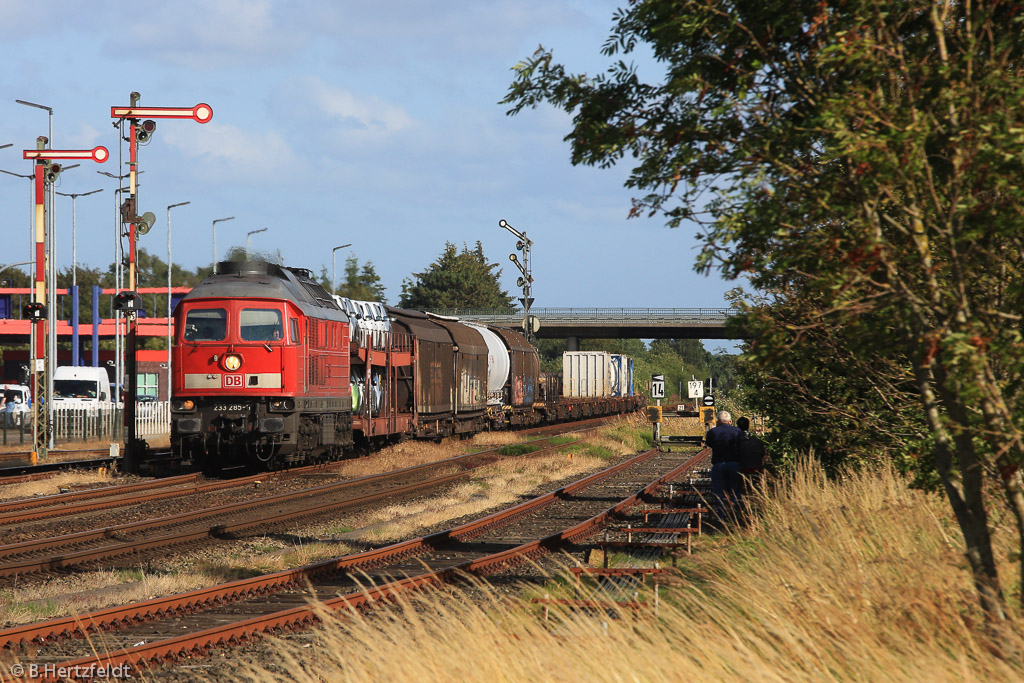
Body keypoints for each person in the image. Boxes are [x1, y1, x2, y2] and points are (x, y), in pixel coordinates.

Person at [704, 410, 743, 520]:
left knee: (720, 492)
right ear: (730, 421)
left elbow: (710, 444)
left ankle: (722, 517)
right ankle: (735, 516)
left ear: (718, 421)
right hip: (735, 464)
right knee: (736, 491)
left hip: (719, 464)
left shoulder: (712, 432)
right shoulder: (737, 431)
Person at [736, 416, 770, 494]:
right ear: (748, 426)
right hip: (756, 468)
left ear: (738, 426)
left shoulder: (735, 441)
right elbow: (763, 454)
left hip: (742, 470)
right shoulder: (757, 441)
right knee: (757, 491)